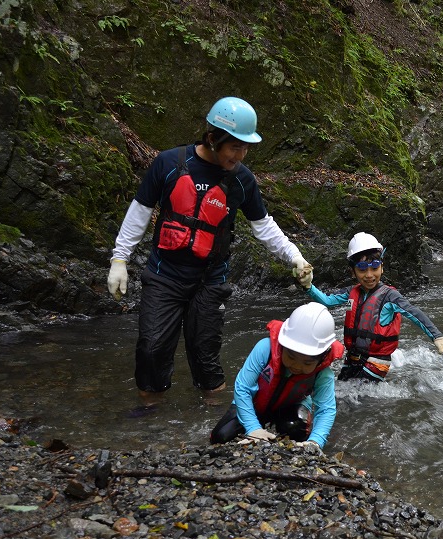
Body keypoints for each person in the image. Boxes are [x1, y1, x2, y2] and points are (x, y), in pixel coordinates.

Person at [106, 97, 313, 413]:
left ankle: (213, 414)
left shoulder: (241, 179)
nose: (240, 156)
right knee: (151, 349)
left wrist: (295, 257)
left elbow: (264, 226)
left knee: (205, 354)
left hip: (209, 281)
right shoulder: (168, 164)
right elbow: (140, 212)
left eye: (245, 149)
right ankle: (149, 418)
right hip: (164, 275)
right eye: (234, 147)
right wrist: (119, 260)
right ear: (212, 138)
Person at [298, 232, 443, 382]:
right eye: (362, 269)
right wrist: (308, 286)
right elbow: (327, 300)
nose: (369, 275)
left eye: (374, 268)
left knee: (358, 399)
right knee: (340, 391)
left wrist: (438, 337)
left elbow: (414, 313)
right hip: (353, 356)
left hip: (377, 360)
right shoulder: (351, 292)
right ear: (353, 272)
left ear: (382, 267)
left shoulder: (390, 296)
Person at [209, 303, 344, 451]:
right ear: (282, 344)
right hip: (254, 404)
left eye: (307, 363)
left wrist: (316, 441)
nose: (297, 366)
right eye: (291, 357)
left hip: (290, 407)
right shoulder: (265, 349)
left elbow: (326, 409)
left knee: (295, 431)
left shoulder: (322, 373)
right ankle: (255, 425)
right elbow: (242, 388)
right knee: (220, 438)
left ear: (322, 356)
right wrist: (253, 429)